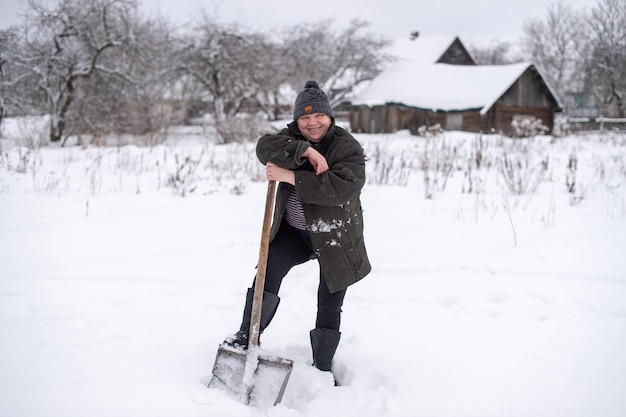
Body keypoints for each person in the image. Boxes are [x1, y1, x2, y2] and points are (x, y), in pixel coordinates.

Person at [224, 80, 371, 375]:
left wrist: (289, 175)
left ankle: (323, 365)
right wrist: (307, 152)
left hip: (334, 237)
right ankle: (246, 339)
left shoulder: (347, 147)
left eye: (318, 116)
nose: (312, 123)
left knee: (329, 299)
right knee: (267, 271)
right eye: (304, 118)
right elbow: (264, 146)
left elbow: (339, 189)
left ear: (330, 118)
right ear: (297, 121)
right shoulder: (291, 138)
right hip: (296, 234)